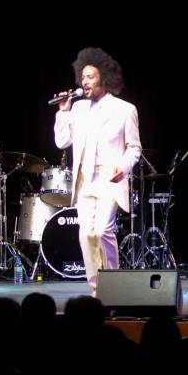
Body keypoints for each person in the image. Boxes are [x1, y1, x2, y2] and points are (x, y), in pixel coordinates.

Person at [54, 47, 141, 296]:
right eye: (82, 77)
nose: (85, 82)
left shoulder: (125, 109)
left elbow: (134, 148)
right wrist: (62, 112)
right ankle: (96, 290)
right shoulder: (78, 109)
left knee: (103, 230)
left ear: (103, 78)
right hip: (85, 181)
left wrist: (122, 168)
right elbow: (62, 142)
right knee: (86, 235)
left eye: (90, 77)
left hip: (108, 179)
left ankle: (113, 287)